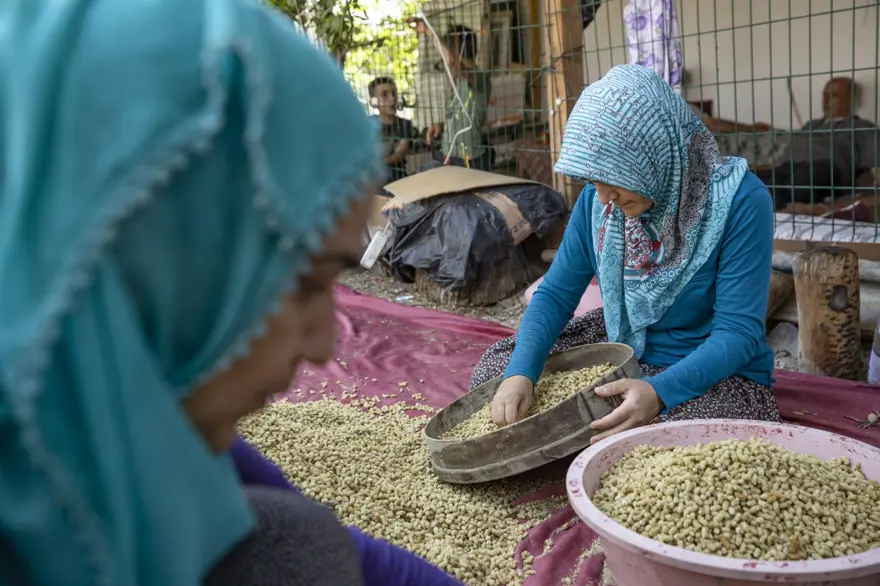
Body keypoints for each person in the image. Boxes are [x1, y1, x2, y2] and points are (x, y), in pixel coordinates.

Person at [0, 1, 461, 585]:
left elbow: (363, 563)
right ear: (159, 260)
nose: (324, 345)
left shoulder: (149, 428)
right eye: (308, 283)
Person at [475, 65, 779, 441]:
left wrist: (658, 392)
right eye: (594, 180)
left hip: (708, 369)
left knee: (669, 442)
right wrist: (520, 374)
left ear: (653, 154)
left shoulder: (740, 201)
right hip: (624, 348)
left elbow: (737, 334)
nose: (604, 198)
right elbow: (554, 295)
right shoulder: (597, 202)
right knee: (497, 370)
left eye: (614, 178)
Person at [756, 77, 880, 210]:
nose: (826, 101)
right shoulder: (810, 125)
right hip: (787, 169)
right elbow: (779, 163)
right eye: (824, 95)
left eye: (833, 96)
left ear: (849, 100)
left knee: (788, 185)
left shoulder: (862, 127)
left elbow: (874, 171)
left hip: (824, 171)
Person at [413, 21, 493, 171]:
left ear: (456, 52)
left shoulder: (480, 78)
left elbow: (453, 63)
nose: (444, 62)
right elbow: (462, 117)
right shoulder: (458, 83)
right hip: (450, 157)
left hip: (469, 161)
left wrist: (429, 31)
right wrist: (441, 126)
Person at [369, 76, 418, 183]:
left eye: (394, 93)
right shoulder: (367, 124)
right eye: (384, 95)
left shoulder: (404, 124)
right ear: (373, 102)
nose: (392, 99)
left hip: (398, 180)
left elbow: (400, 154)